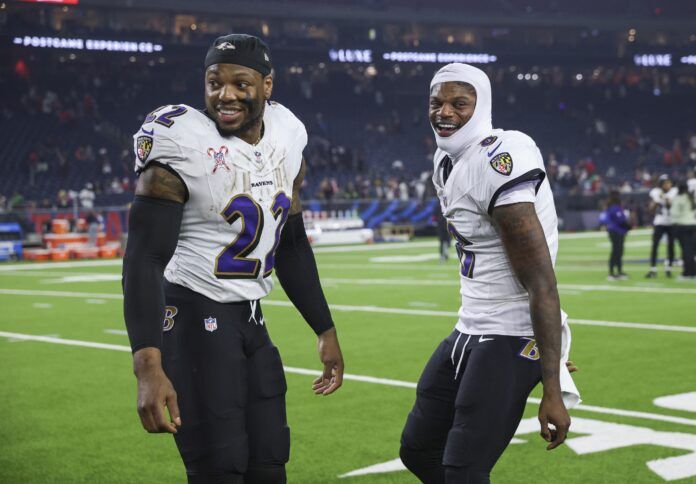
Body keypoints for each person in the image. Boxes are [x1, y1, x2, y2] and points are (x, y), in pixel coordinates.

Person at [122, 34, 344, 484]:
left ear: (267, 86)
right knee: (219, 469)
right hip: (193, 314)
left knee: (269, 462)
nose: (225, 95)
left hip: (251, 318)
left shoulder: (287, 133)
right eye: (214, 83)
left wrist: (324, 328)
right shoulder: (180, 142)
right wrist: (148, 367)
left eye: (240, 84)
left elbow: (293, 244)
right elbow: (143, 258)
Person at [399, 63, 579, 483]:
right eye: (437, 102)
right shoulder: (446, 160)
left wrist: (549, 379)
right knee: (418, 450)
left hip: (511, 332)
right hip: (470, 326)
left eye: (459, 103)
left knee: (464, 469)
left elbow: (541, 283)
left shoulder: (501, 156)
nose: (445, 112)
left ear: (481, 107)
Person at [646, 175, 678, 278]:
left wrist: (665, 197)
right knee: (655, 245)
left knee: (671, 246)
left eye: (669, 182)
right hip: (659, 222)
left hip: (671, 222)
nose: (668, 185)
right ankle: (653, 269)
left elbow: (670, 205)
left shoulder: (674, 191)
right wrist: (657, 200)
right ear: (661, 184)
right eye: (665, 183)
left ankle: (668, 269)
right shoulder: (655, 192)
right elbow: (651, 210)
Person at [601, 190, 631, 280]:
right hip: (616, 231)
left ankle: (618, 271)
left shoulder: (612, 207)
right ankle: (612, 272)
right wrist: (628, 226)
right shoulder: (615, 207)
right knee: (616, 251)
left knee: (618, 251)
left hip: (617, 231)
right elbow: (620, 220)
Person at [671, 182, 696, 278]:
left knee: (686, 250)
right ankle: (693, 271)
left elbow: (674, 213)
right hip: (693, 225)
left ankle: (687, 272)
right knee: (692, 250)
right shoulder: (691, 197)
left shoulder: (678, 198)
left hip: (682, 226)